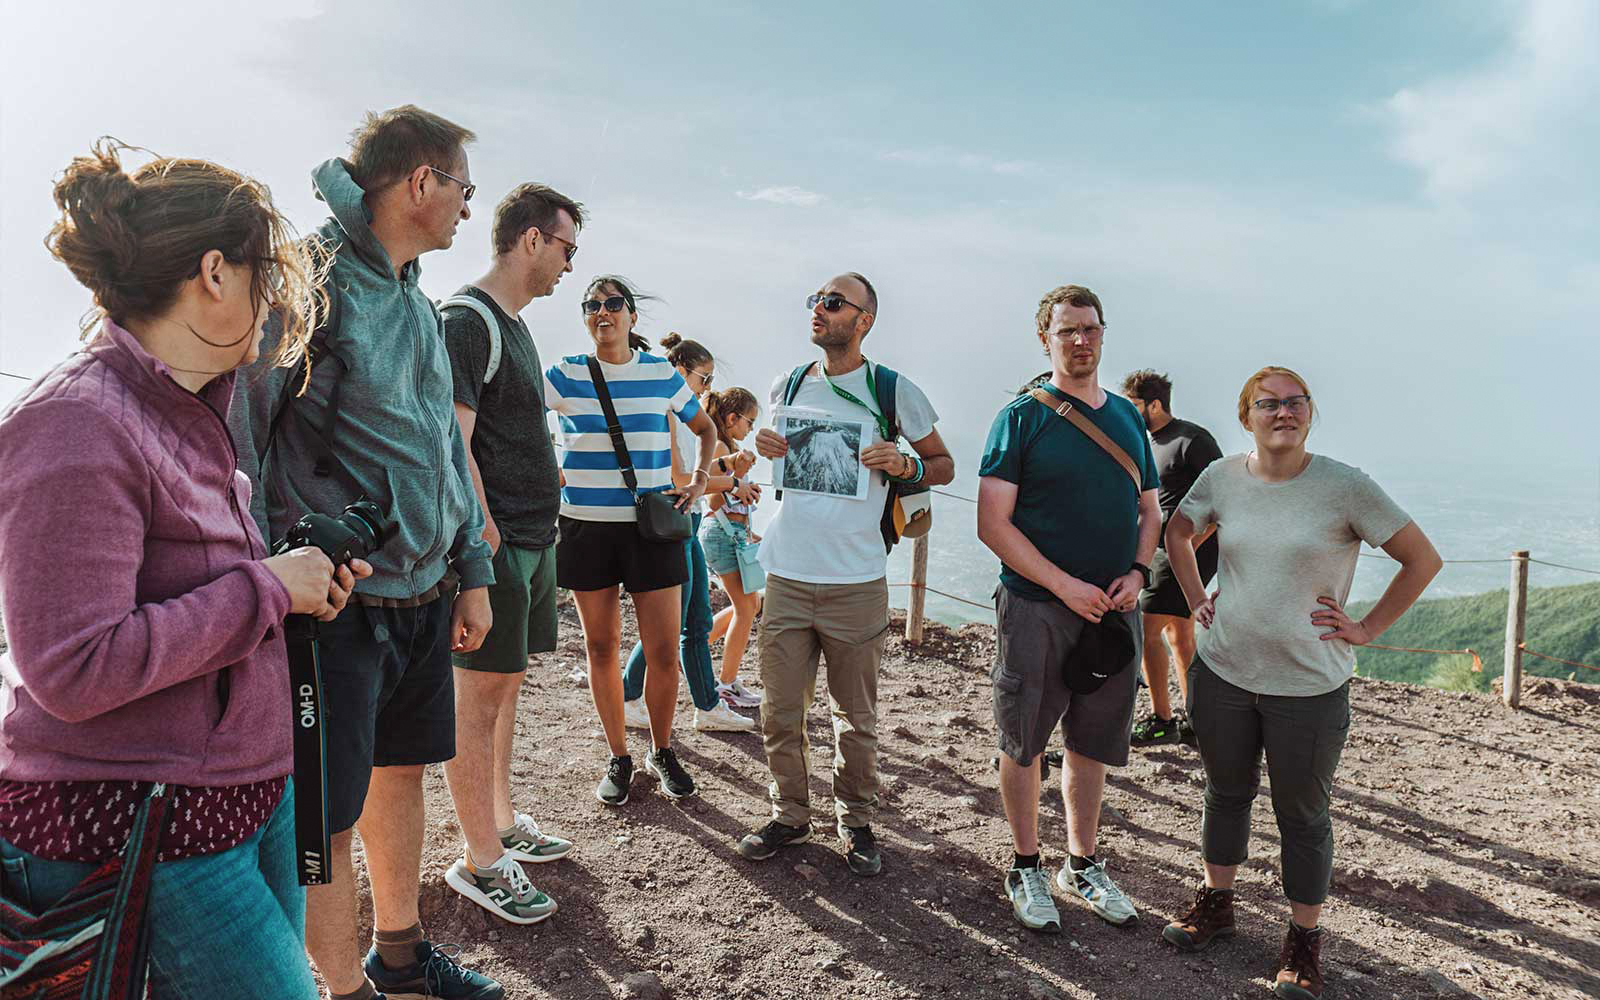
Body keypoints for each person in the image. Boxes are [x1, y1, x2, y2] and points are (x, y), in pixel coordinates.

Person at [0, 140, 364, 998]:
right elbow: (72, 666)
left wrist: (290, 591)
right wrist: (268, 588)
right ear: (214, 272)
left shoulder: (187, 407)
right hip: (135, 825)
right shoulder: (76, 424)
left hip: (232, 800)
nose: (276, 300)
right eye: (266, 274)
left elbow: (191, 591)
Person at [230, 106, 505, 1000]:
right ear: (421, 182)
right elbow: (244, 444)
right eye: (464, 185)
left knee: (401, 776)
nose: (471, 204)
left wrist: (471, 570)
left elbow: (438, 448)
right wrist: (280, 573)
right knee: (327, 814)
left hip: (425, 595)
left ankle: (401, 957)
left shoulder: (416, 296)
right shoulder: (310, 286)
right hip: (337, 608)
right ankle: (342, 989)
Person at [1160, 366, 1440, 999]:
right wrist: (1195, 595)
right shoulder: (1222, 477)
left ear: (1310, 413)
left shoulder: (1346, 487)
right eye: (1268, 403)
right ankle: (1217, 904)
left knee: (1303, 817)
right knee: (1224, 793)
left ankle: (1304, 940)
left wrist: (1366, 628)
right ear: (1246, 415)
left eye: (1295, 403)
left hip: (1309, 686)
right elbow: (1179, 528)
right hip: (1224, 670)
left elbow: (1422, 560)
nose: (1283, 412)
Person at [738, 272, 954, 877]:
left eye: (833, 303)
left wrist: (904, 462)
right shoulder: (789, 381)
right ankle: (790, 814)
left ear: (864, 321)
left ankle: (855, 820)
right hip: (785, 572)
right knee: (779, 713)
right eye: (815, 300)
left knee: (854, 720)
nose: (818, 310)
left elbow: (943, 465)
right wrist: (763, 445)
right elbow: (772, 459)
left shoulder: (892, 390)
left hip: (857, 580)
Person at [976, 284, 1161, 934]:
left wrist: (1139, 571)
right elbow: (993, 524)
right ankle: (1026, 864)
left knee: (1091, 742)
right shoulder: (1021, 418)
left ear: (1103, 333)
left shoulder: (1128, 419)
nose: (1080, 341)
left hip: (1113, 610)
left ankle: (1081, 863)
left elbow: (1149, 509)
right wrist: (1063, 585)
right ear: (1045, 339)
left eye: (1089, 329)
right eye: (1066, 332)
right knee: (1025, 739)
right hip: (1036, 607)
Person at [439, 182, 587, 925]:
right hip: (497, 547)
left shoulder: (515, 325)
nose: (568, 266)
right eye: (566, 248)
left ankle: (499, 823)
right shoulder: (468, 321)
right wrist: (483, 534)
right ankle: (479, 861)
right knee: (476, 700)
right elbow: (452, 443)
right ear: (532, 239)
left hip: (533, 537)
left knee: (505, 690)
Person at [543, 277, 719, 805]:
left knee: (664, 651)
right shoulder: (563, 374)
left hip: (652, 529)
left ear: (632, 317)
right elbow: (513, 419)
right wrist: (543, 466)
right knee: (601, 647)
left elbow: (706, 429)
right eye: (593, 305)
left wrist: (702, 479)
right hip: (584, 527)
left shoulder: (661, 374)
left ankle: (662, 750)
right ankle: (618, 756)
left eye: (614, 304)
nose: (604, 312)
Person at [619, 334, 757, 734]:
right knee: (681, 622)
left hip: (687, 524)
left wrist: (728, 464)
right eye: (704, 378)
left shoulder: (679, 413)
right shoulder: (665, 412)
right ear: (680, 371)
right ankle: (637, 696)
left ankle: (702, 706)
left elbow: (693, 475)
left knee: (693, 621)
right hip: (676, 523)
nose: (707, 388)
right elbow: (678, 478)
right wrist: (730, 481)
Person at [1120, 369, 1222, 748]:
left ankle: (1163, 720)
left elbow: (1222, 497)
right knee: (1179, 636)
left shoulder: (1192, 440)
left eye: (1135, 407)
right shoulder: (1150, 442)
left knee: (1146, 630)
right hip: (1166, 551)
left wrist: (1191, 546)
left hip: (1185, 553)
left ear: (1155, 404)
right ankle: (1196, 722)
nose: (1130, 414)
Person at [699, 386, 766, 708]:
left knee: (748, 605)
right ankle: (726, 683)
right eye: (749, 422)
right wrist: (740, 477)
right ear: (732, 418)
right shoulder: (721, 448)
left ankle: (695, 651)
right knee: (746, 608)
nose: (751, 429)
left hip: (729, 534)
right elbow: (713, 498)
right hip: (720, 535)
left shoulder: (725, 444)